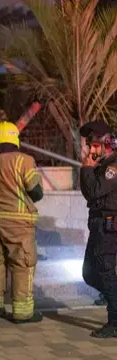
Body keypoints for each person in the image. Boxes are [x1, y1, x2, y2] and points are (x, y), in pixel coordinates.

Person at [0, 121, 44, 323]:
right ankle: (22, 312)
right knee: (22, 264)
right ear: (15, 139)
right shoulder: (25, 160)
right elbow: (36, 193)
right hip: (18, 224)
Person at [79, 120, 117, 338]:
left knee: (105, 272)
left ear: (106, 143)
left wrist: (86, 168)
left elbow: (94, 191)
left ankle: (115, 321)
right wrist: (88, 169)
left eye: (94, 145)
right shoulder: (101, 165)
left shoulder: (113, 166)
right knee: (89, 273)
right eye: (89, 145)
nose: (91, 150)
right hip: (98, 225)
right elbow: (89, 191)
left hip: (109, 224)